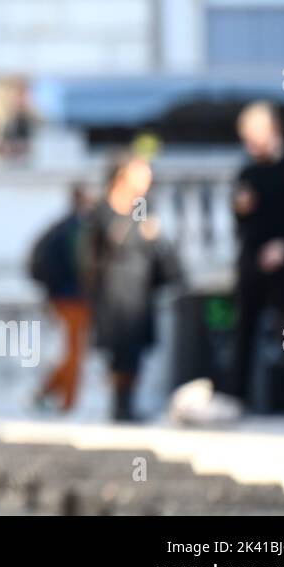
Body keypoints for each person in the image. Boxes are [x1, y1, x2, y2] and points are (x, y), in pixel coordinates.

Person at [78, 151, 183, 422]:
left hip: (139, 290)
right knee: (118, 353)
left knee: (135, 352)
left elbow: (155, 245)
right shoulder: (103, 208)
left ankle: (129, 405)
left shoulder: (143, 206)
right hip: (113, 292)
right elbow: (92, 252)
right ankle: (119, 405)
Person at [227, 101, 284, 412]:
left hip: (282, 262)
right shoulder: (247, 171)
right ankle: (235, 398)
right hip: (251, 260)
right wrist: (240, 210)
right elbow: (239, 221)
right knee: (243, 329)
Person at [28, 185, 92, 413]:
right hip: (72, 298)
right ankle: (66, 402)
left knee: (73, 350)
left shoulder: (63, 227)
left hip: (62, 296)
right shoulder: (77, 229)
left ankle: (53, 393)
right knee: (75, 351)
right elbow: (81, 267)